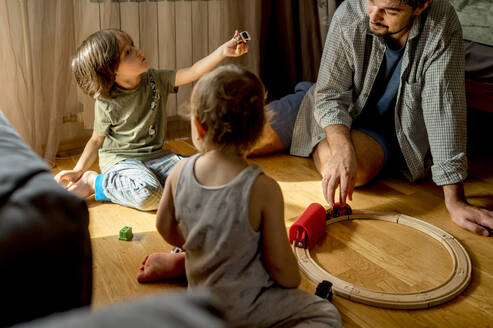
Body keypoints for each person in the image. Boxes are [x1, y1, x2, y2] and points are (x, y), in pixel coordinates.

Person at [255, 0, 493, 236]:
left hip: (385, 127)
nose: (373, 16)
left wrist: (455, 201)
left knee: (349, 172)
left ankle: (318, 138)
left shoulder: (441, 22)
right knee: (240, 140)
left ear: (421, 6)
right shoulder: (349, 13)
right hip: (329, 101)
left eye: (390, 11)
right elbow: (330, 93)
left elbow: (443, 107)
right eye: (371, 2)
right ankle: (309, 113)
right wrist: (341, 146)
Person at [140, 65, 342, 327]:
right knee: (325, 314)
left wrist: (197, 247)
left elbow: (164, 226)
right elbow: (282, 268)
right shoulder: (263, 188)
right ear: (260, 132)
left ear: (199, 127)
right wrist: (294, 280)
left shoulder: (179, 172)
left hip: (200, 305)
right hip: (248, 308)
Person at [54, 28, 247, 211]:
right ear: (111, 71)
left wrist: (223, 51)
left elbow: (194, 71)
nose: (137, 51)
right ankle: (95, 183)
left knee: (209, 174)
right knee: (150, 195)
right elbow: (96, 140)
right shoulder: (107, 101)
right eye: (127, 52)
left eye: (132, 45)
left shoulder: (155, 79)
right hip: (123, 161)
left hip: (157, 156)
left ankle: (161, 181)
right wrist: (79, 171)